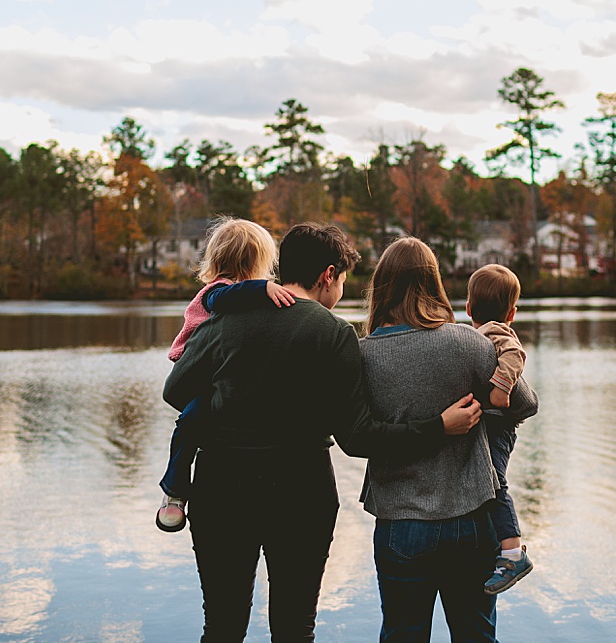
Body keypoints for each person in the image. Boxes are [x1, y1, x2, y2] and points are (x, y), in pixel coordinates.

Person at [164, 223, 483, 643]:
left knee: (222, 625)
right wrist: (438, 426)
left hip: (221, 489)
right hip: (300, 492)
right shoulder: (332, 332)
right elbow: (359, 438)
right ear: (327, 275)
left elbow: (176, 392)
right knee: (295, 628)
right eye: (344, 280)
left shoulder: (225, 319)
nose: (343, 290)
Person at [359, 238, 538, 643]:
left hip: (401, 524)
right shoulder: (468, 342)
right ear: (434, 284)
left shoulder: (363, 355)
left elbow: (359, 437)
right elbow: (525, 404)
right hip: (471, 520)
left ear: (381, 286)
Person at [157, 217, 297, 533]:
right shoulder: (216, 291)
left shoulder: (246, 297)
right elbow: (226, 300)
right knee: (189, 423)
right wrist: (263, 287)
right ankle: (175, 490)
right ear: (257, 265)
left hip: (226, 377)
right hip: (200, 377)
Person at [464, 263, 536, 594]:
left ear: (468, 307)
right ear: (513, 312)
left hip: (499, 425)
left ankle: (512, 552)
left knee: (494, 482)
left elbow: (514, 354)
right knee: (488, 481)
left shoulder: (497, 332)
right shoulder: (475, 335)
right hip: (489, 424)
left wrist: (501, 389)